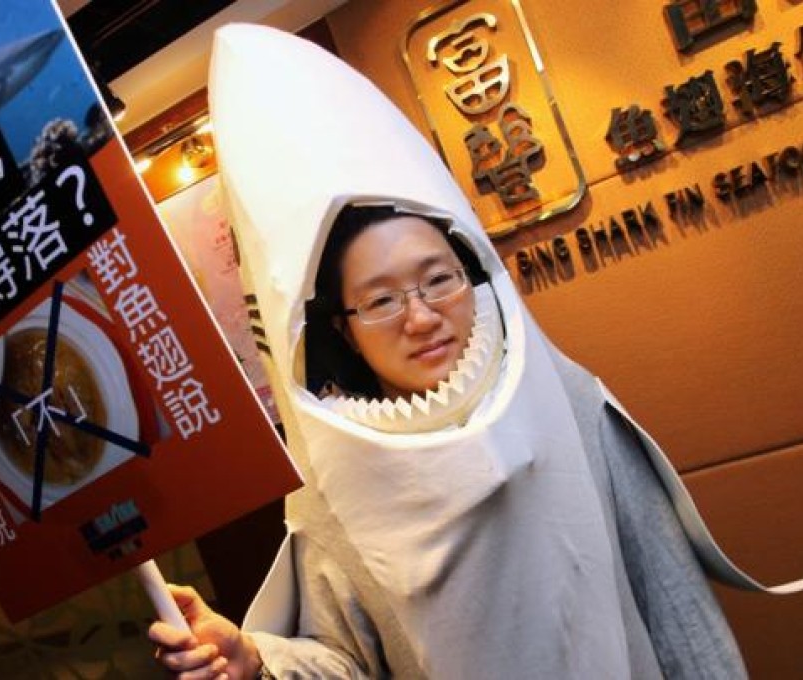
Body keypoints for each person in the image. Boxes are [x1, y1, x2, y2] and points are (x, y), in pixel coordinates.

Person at [146, 24, 782, 679]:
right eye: (382, 299)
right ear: (343, 327)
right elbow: (346, 659)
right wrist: (255, 657)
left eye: (438, 279)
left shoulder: (568, 400)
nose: (422, 316)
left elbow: (676, 605)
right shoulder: (335, 478)